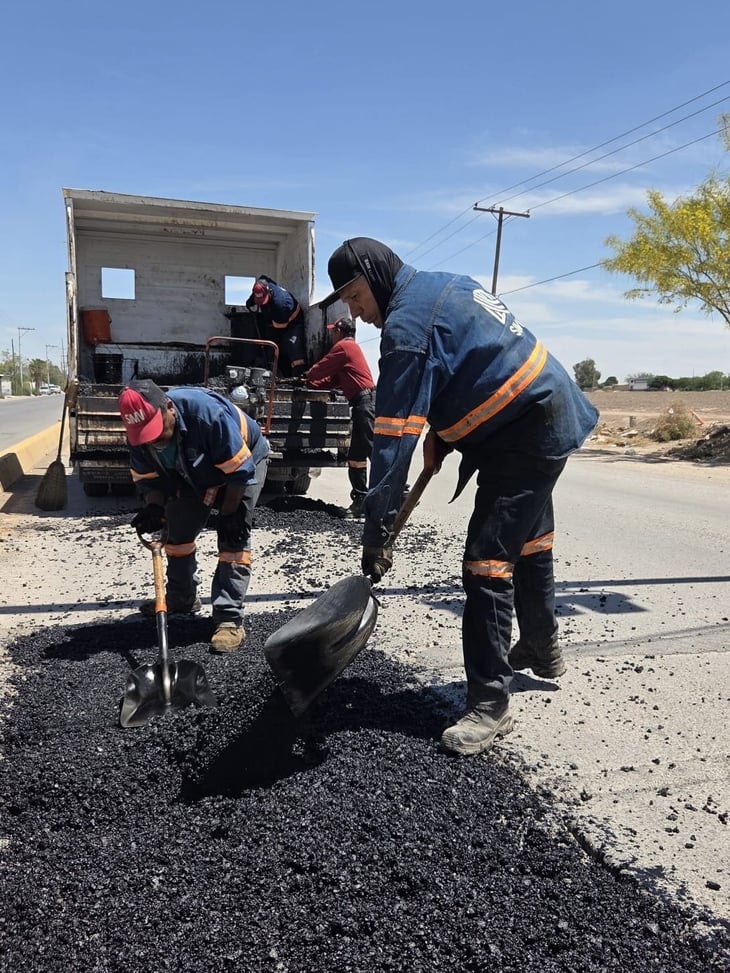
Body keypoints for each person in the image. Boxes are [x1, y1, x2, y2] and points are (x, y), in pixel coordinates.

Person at [323, 237, 599, 757]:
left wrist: (376, 533)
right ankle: (541, 645)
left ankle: (490, 704)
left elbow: (390, 445)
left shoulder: (405, 330)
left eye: (356, 297)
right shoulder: (443, 284)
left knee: (486, 564)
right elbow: (475, 364)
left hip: (524, 433)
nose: (356, 314)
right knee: (531, 539)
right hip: (544, 409)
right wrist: (444, 432)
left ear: (376, 278)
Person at [117, 378, 270, 653]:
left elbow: (239, 472)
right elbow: (149, 480)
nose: (153, 440)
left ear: (169, 408)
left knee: (233, 537)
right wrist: (154, 507)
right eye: (144, 435)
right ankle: (181, 598)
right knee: (177, 531)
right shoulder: (138, 436)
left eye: (156, 430)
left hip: (244, 462)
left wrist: (229, 514)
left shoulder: (206, 416)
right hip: (193, 472)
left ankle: (228, 619)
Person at [304, 316, 376, 519]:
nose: (332, 335)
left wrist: (307, 375)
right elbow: (333, 380)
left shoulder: (344, 347)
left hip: (366, 403)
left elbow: (321, 369)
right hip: (362, 404)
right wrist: (313, 384)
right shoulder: (349, 350)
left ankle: (399, 491)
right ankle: (360, 500)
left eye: (333, 331)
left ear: (339, 331)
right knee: (356, 456)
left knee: (374, 450)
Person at [245, 275, 307, 377]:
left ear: (269, 292)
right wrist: (250, 301)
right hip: (276, 320)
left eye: (262, 300)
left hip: (292, 322)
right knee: (271, 346)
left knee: (293, 349)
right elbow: (258, 291)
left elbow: (278, 327)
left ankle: (298, 377)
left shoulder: (281, 303)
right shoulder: (261, 285)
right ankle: (271, 368)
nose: (261, 303)